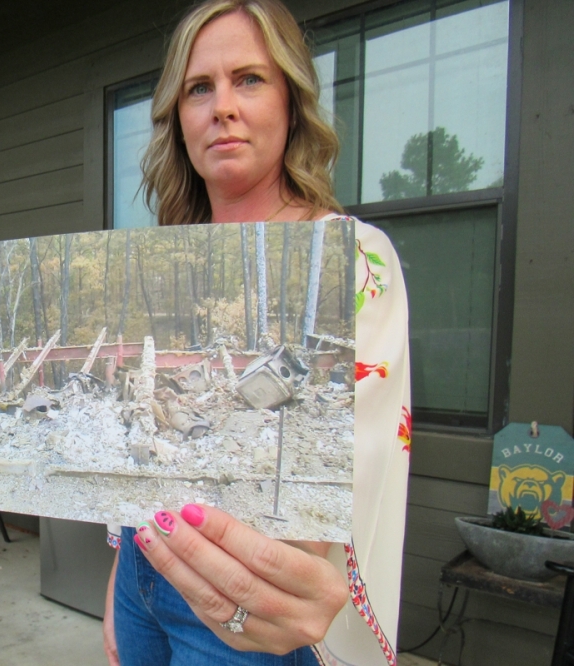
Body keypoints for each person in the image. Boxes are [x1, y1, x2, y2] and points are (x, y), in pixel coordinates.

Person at [102, 1, 411, 665]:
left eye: (249, 79)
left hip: (256, 595)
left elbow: (355, 455)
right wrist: (120, 581)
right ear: (178, 117)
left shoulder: (351, 257)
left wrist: (273, 598)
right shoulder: (167, 261)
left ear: (292, 102)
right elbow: (141, 436)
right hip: (144, 565)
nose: (223, 107)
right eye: (199, 87)